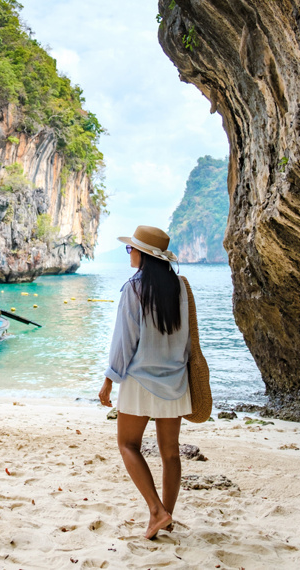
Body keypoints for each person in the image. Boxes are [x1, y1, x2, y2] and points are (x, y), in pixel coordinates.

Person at [98, 225, 191, 540]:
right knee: (171, 453)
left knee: (127, 444)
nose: (130, 252)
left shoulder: (134, 288)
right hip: (176, 380)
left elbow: (124, 341)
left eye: (131, 248)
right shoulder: (180, 287)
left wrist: (110, 380)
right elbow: (189, 339)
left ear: (145, 256)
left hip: (139, 380)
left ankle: (156, 511)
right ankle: (167, 515)